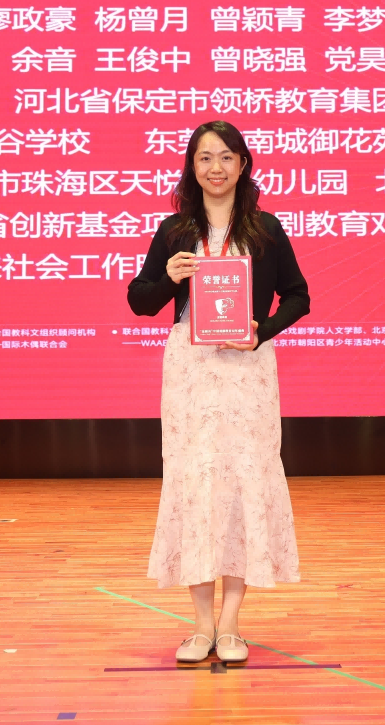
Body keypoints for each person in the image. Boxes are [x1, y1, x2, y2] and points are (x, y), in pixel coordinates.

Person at [126, 121, 310, 666]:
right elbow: (140, 300)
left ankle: (231, 624)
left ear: (243, 164)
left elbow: (298, 296)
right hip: (191, 371)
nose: (216, 168)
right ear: (192, 166)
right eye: (205, 158)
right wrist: (169, 277)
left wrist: (262, 331)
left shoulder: (266, 229)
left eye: (226, 157)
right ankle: (200, 625)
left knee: (243, 483)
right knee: (195, 485)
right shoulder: (175, 230)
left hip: (247, 370)